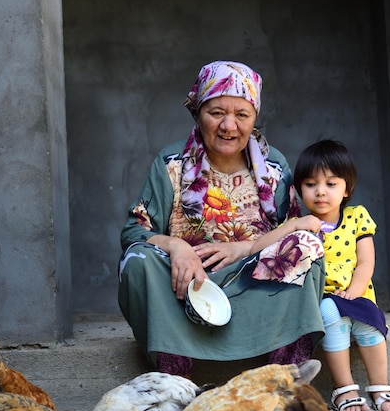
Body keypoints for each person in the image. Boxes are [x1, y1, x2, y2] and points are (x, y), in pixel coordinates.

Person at [118, 60, 325, 378]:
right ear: (198, 112)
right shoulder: (171, 164)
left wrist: (243, 248)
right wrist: (176, 246)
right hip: (188, 293)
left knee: (305, 245)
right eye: (216, 113)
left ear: (254, 117)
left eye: (241, 115)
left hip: (253, 287)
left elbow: (293, 228)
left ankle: (284, 371)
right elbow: (135, 231)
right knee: (138, 259)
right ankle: (176, 373)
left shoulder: (274, 167)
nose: (229, 126)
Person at [285, 139, 390, 411]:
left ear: (346, 188)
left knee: (369, 322)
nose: (320, 192)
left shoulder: (356, 217)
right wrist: (294, 225)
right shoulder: (300, 224)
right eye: (310, 184)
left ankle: (380, 387)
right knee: (331, 314)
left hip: (357, 292)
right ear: (299, 189)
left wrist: (355, 290)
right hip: (323, 296)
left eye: (330, 184)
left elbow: (365, 261)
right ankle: (346, 389)